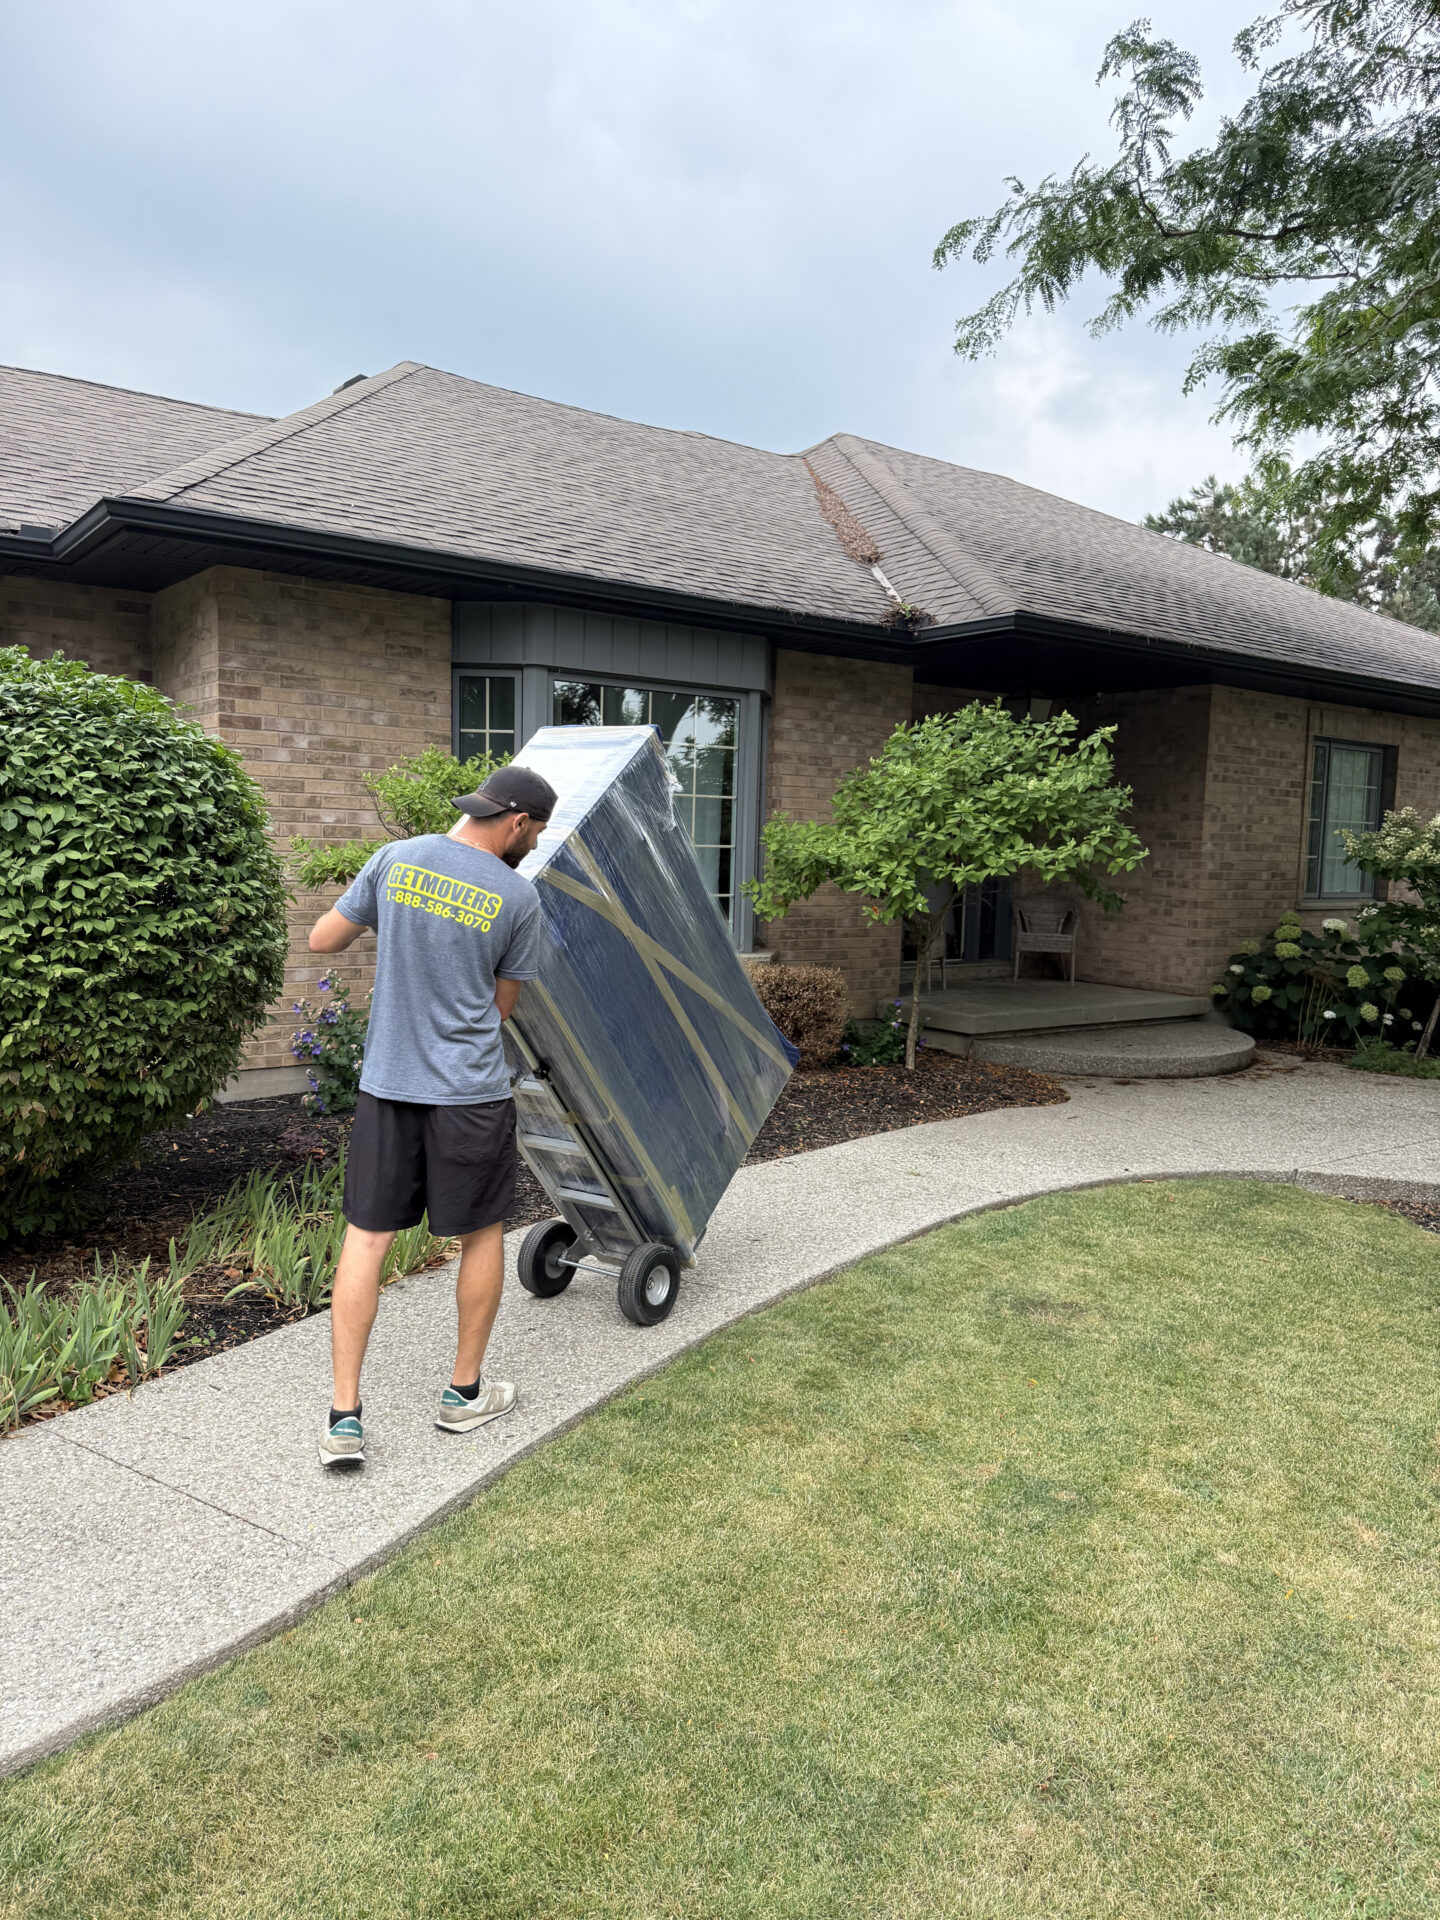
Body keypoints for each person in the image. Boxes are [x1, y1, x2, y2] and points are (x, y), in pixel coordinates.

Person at [307, 764, 559, 1467]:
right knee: (480, 1236)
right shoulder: (517, 896)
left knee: (366, 1240)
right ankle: (462, 1396)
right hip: (469, 1096)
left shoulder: (396, 858)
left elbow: (323, 940)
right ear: (517, 822)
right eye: (536, 832)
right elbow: (500, 1009)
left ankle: (344, 1419)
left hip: (389, 1088)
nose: (534, 844)